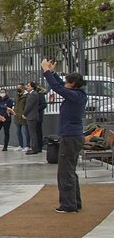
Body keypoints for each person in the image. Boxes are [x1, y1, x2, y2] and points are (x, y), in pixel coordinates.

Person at [42, 60, 86, 213]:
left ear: (73, 84)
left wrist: (46, 72)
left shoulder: (75, 96)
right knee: (70, 171)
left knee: (65, 172)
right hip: (73, 136)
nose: (65, 83)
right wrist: (53, 73)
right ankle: (75, 202)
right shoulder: (77, 94)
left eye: (68, 81)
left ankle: (68, 205)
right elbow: (61, 85)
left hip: (70, 137)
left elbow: (57, 88)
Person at [24, 82, 43, 155]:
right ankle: (34, 147)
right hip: (30, 116)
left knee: (33, 133)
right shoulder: (31, 94)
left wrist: (24, 113)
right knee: (32, 133)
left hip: (32, 116)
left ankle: (34, 148)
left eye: (28, 86)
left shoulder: (34, 94)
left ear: (32, 87)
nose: (27, 87)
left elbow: (29, 106)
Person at [13, 84, 29, 152]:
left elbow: (27, 106)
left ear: (22, 88)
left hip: (23, 116)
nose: (17, 89)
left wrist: (24, 113)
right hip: (16, 116)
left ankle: (27, 145)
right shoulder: (17, 95)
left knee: (26, 132)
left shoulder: (26, 96)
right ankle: (20, 145)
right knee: (18, 132)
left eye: (19, 88)